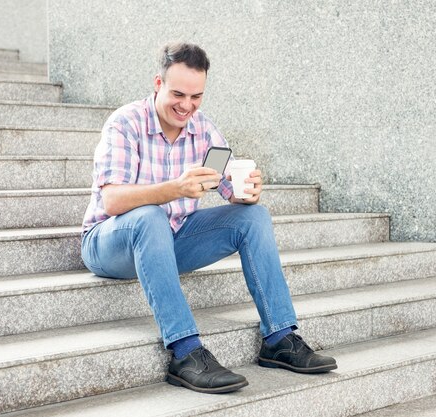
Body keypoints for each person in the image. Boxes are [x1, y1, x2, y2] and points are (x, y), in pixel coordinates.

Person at [81, 42, 337, 394]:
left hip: (171, 240)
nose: (186, 105)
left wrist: (248, 188)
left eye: (196, 96)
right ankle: (186, 352)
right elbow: (112, 200)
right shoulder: (125, 123)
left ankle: (279, 338)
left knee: (254, 218)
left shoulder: (202, 130)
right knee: (150, 216)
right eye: (178, 94)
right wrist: (175, 188)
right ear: (158, 83)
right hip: (109, 242)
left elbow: (229, 186)